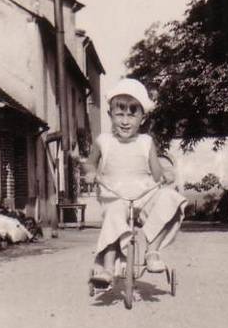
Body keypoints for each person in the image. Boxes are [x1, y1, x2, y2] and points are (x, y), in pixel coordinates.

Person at [80, 78, 187, 288]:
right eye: (119, 114)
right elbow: (90, 164)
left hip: (144, 195)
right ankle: (108, 269)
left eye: (132, 114)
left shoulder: (146, 142)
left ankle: (152, 250)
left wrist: (166, 173)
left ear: (142, 118)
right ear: (110, 115)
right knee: (113, 215)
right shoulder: (104, 141)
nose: (125, 121)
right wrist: (91, 173)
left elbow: (157, 174)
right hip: (115, 195)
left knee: (171, 199)